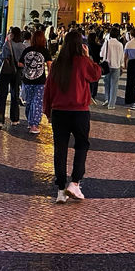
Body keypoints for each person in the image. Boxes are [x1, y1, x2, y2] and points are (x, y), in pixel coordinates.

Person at [43, 29, 101, 203]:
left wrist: (48, 111)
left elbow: (49, 89)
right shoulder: (83, 61)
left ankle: (60, 189)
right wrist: (88, 56)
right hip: (79, 112)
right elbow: (96, 74)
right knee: (82, 145)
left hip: (59, 112)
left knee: (60, 149)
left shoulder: (57, 64)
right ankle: (75, 183)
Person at [19, 29, 51, 133]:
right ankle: (34, 125)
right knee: (37, 102)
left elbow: (20, 64)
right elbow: (50, 66)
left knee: (29, 101)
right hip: (40, 81)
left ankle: (30, 121)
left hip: (27, 80)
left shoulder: (27, 50)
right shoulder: (45, 51)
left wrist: (27, 66)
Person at [0, 27, 25, 129]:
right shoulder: (23, 46)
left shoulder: (7, 44)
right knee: (15, 94)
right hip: (17, 72)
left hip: (6, 71)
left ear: (12, 34)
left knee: (1, 95)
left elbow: (2, 58)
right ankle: (15, 119)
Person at [101, 27, 124, 109]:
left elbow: (102, 54)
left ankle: (107, 98)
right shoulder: (120, 45)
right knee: (114, 86)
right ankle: (111, 104)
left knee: (106, 83)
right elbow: (122, 57)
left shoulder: (106, 43)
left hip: (107, 66)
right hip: (116, 66)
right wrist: (121, 65)